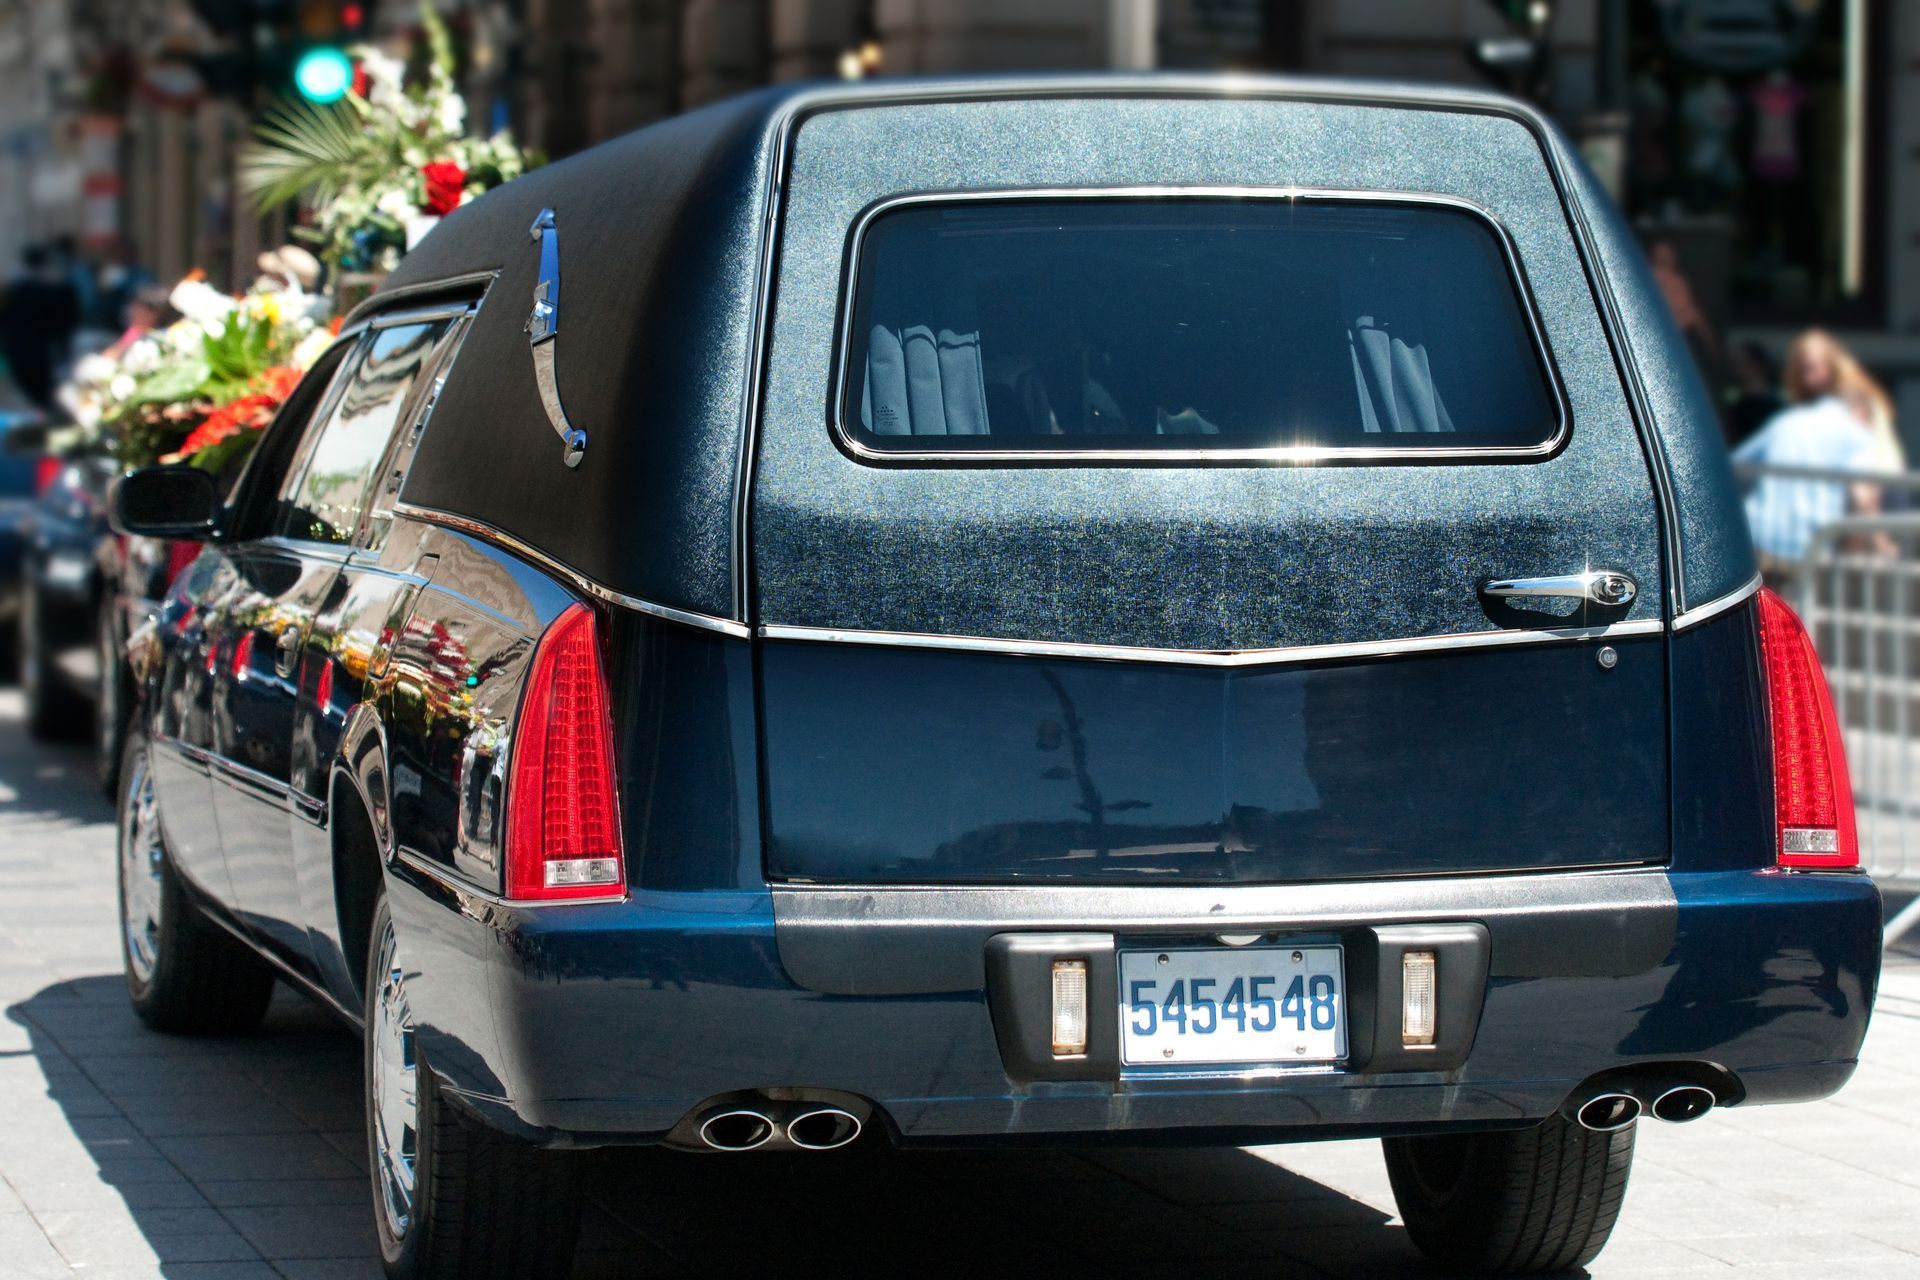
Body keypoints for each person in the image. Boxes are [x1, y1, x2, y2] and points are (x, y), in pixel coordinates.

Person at [1733, 329, 1900, 586]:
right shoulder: (1854, 432)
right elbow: (1862, 498)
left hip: (1756, 544)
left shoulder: (1784, 423)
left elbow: (1733, 467)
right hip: (1805, 552)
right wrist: (1881, 545)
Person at [0, 245, 81, 412]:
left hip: (17, 348)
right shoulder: (51, 289)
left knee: (27, 390)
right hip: (40, 349)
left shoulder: (12, 290)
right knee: (40, 391)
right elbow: (61, 322)